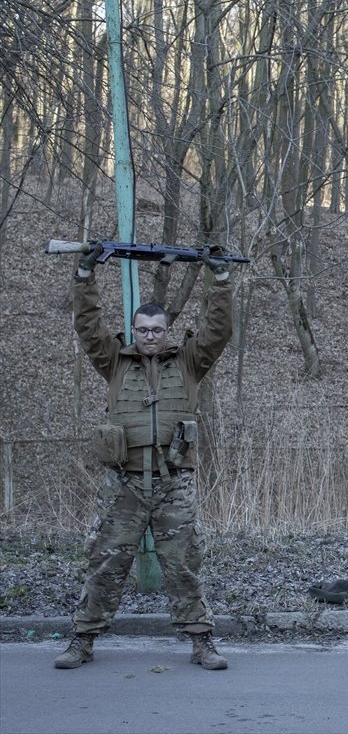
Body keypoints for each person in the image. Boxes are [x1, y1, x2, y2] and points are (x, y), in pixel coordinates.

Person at [54, 244, 236, 670]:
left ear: (168, 331)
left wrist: (222, 282)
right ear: (134, 331)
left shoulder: (190, 362)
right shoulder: (114, 361)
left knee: (184, 563)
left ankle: (200, 642)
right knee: (106, 562)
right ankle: (83, 640)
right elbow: (87, 325)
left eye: (158, 329)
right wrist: (84, 275)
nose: (151, 335)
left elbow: (219, 329)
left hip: (175, 481)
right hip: (125, 482)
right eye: (144, 329)